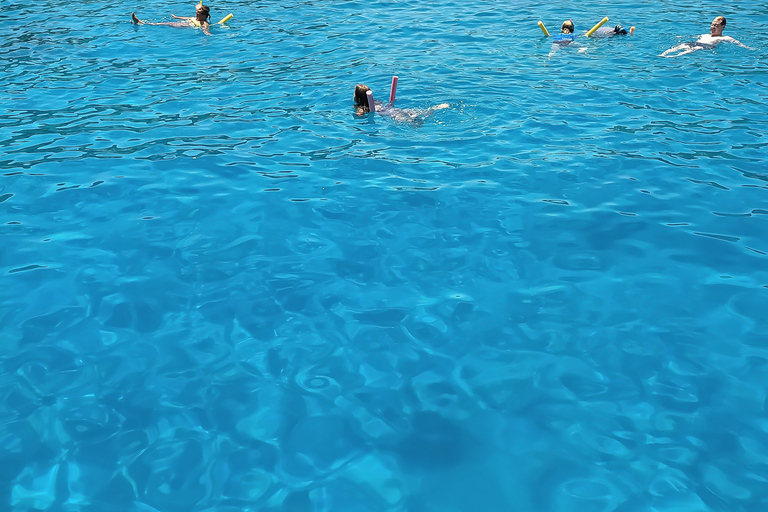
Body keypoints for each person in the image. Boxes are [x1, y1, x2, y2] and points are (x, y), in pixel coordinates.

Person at [660, 16, 753, 57]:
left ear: (722, 27)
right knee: (681, 45)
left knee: (693, 49)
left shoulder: (725, 38)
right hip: (697, 43)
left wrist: (748, 48)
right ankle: (663, 54)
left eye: (716, 26)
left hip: (706, 47)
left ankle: (675, 56)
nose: (712, 27)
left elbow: (738, 43)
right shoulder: (705, 35)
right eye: (712, 25)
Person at [353, 84, 449, 124]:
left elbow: (359, 115)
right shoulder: (376, 101)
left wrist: (358, 112)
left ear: (357, 98)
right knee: (414, 113)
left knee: (410, 121)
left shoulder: (361, 107)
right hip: (391, 109)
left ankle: (414, 120)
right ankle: (434, 108)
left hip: (388, 114)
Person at [131, 4, 212, 35]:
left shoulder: (204, 23)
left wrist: (207, 34)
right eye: (196, 13)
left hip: (183, 26)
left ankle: (140, 23)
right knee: (165, 23)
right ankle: (140, 23)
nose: (196, 15)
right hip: (183, 23)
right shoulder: (197, 18)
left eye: (198, 14)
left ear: (204, 16)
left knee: (166, 23)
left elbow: (205, 29)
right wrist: (176, 17)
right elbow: (188, 18)